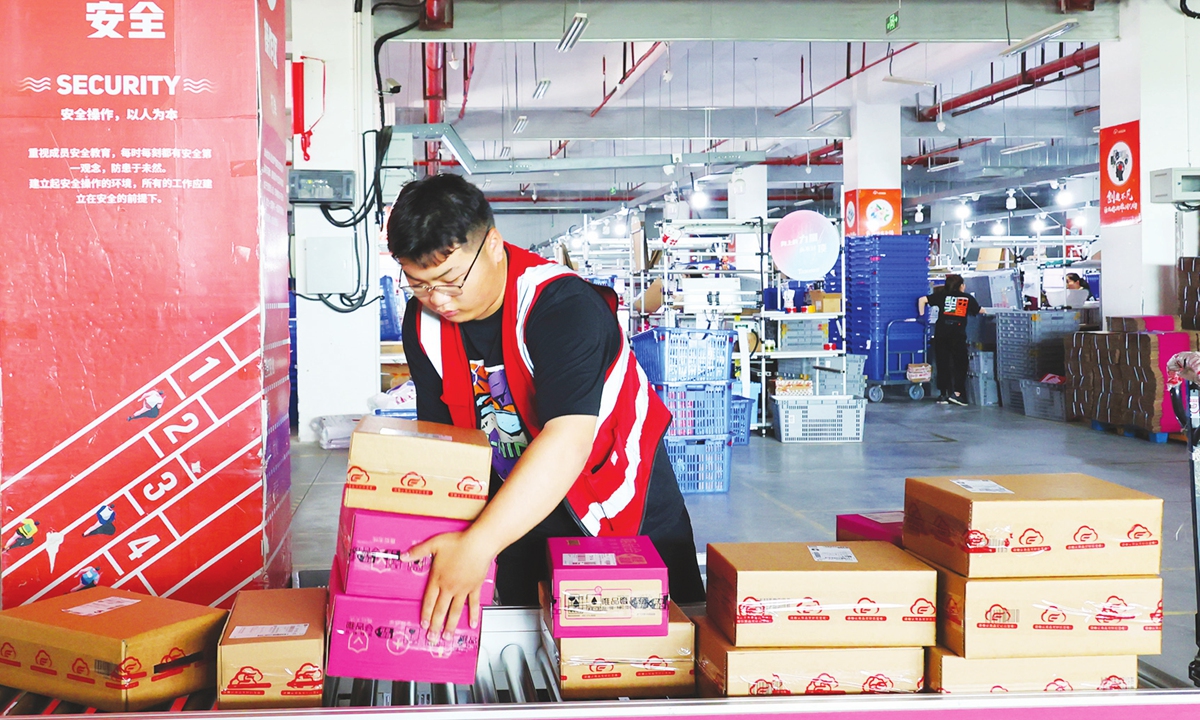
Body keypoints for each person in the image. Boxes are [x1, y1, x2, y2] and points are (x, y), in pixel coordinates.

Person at [391, 174, 705, 644]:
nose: (437, 299)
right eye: (418, 284)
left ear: (493, 245)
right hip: (515, 506)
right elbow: (443, 442)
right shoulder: (425, 324)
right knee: (532, 643)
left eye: (450, 281)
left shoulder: (561, 306)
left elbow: (566, 441)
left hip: (618, 503)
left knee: (654, 649)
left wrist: (477, 546)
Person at [918, 274, 982, 406]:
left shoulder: (942, 295)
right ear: (961, 286)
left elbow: (922, 300)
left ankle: (943, 394)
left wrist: (921, 316)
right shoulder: (967, 298)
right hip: (957, 335)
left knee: (943, 363)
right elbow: (980, 311)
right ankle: (957, 393)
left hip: (941, 334)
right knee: (960, 363)